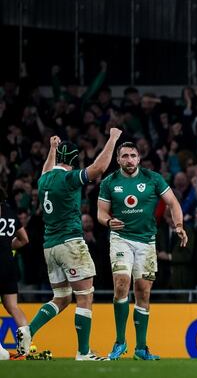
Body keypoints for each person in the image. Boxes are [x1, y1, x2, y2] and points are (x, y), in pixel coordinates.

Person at [19, 130, 121, 360]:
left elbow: (47, 168)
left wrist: (52, 148)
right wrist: (113, 139)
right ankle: (83, 352)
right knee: (85, 296)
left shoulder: (44, 179)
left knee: (62, 297)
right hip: (70, 243)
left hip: (50, 247)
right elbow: (98, 169)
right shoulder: (69, 178)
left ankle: (28, 330)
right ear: (75, 161)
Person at [97, 141, 188, 360]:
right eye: (125, 156)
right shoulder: (109, 182)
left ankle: (141, 348)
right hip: (121, 239)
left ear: (139, 158)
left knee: (143, 292)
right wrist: (109, 222)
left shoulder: (153, 178)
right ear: (118, 159)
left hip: (146, 241)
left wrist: (178, 226)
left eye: (133, 156)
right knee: (121, 284)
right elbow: (101, 213)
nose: (129, 160)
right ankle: (120, 342)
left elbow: (173, 204)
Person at [1, 188, 29, 357]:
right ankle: (26, 347)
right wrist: (5, 246)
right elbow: (24, 239)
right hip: (9, 264)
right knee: (13, 306)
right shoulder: (10, 213)